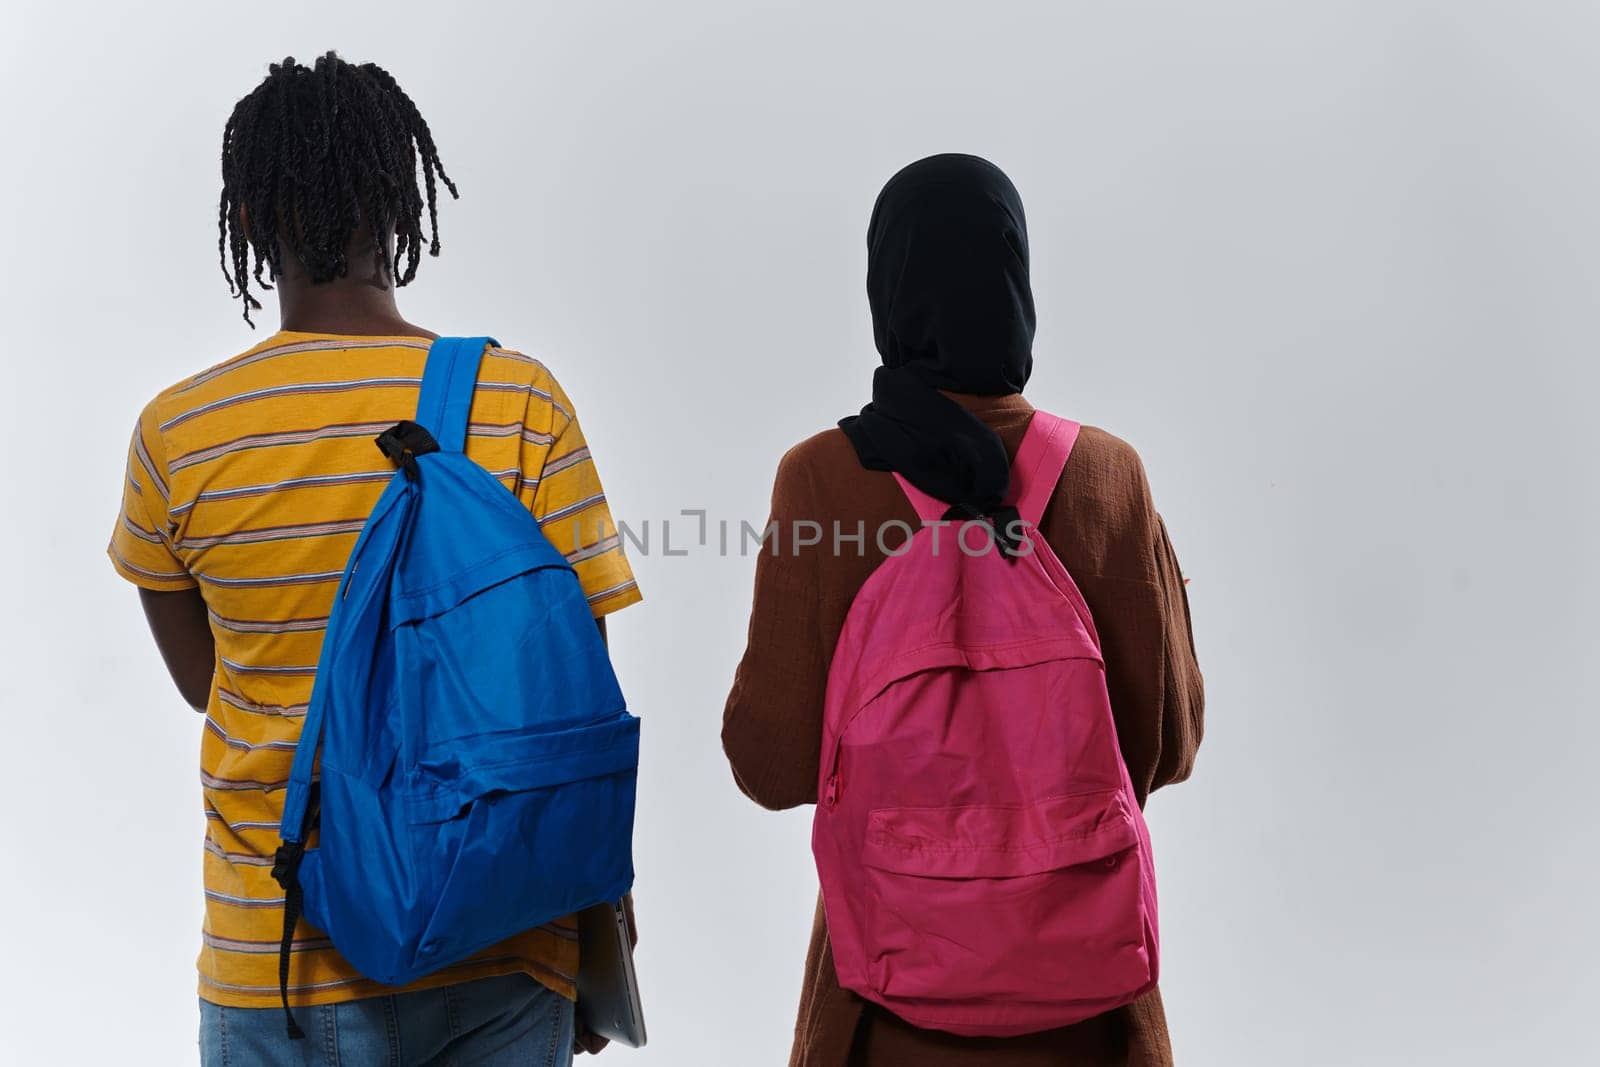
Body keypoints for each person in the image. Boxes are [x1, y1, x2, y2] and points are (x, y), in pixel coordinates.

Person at [107, 53, 640, 1065]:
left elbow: (203, 682)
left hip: (274, 959)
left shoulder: (178, 432)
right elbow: (571, 698)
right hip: (497, 933)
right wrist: (600, 918)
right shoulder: (518, 403)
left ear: (250, 218)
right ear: (401, 202)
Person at [721, 154, 1204, 1066]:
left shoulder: (822, 478)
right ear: (1017, 284)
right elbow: (1168, 744)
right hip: (1093, 1016)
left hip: (882, 1010)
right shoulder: (1109, 475)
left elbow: (771, 764)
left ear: (887, 291)